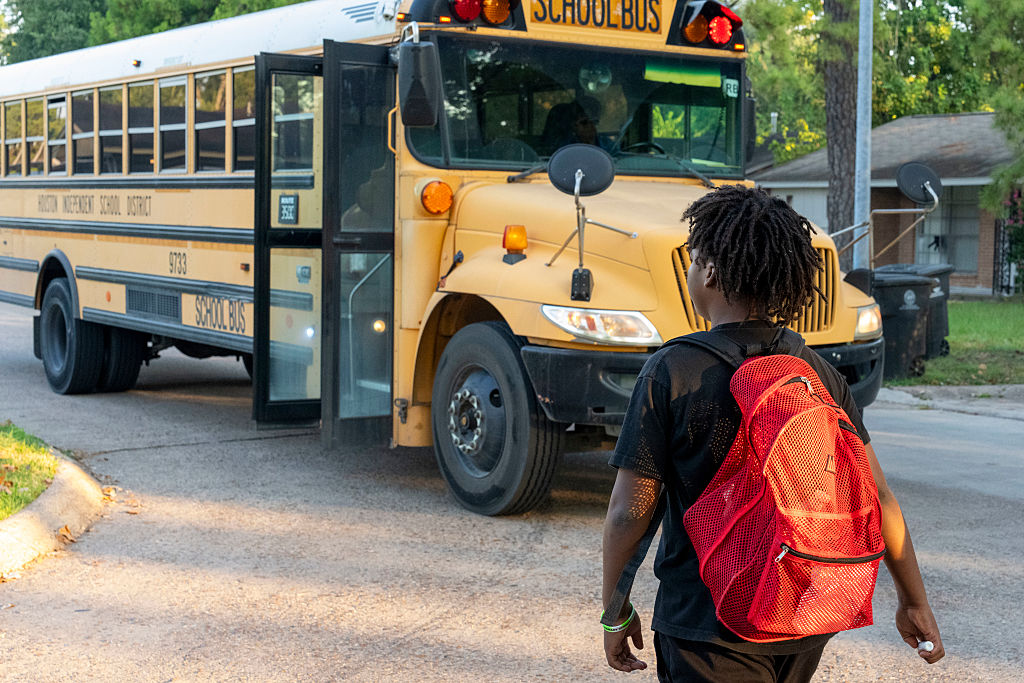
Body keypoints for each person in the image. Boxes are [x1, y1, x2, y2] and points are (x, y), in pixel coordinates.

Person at [600, 185, 944, 681]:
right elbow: (880, 499)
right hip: (803, 612)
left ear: (712, 272)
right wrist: (913, 600)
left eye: (694, 260)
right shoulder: (816, 372)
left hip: (707, 625)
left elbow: (627, 512)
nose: (692, 271)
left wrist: (615, 609)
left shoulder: (673, 370)